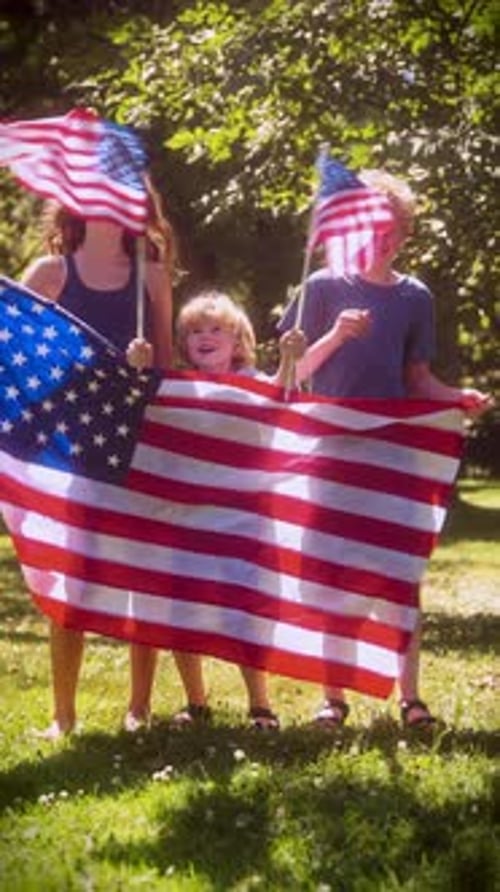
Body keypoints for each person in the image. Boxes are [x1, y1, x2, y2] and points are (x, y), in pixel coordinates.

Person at [278, 168, 492, 730]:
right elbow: (289, 377)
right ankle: (333, 697)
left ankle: (411, 698)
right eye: (373, 225)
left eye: (394, 227)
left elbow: (418, 377)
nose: (383, 236)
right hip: (328, 449)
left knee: (401, 572)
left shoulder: (414, 296)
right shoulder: (321, 287)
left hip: (392, 452)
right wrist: (334, 336)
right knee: (333, 573)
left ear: (406, 232)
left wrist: (457, 396)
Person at [21, 179, 177, 738]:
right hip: (71, 448)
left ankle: (139, 709)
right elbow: (16, 357)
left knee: (143, 575)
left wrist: (146, 362)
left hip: (140, 440)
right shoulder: (49, 274)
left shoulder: (152, 278)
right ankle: (63, 715)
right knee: (71, 577)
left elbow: (168, 367)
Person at [127, 290, 305, 729]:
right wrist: (140, 372)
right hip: (189, 515)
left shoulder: (254, 381)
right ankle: (196, 701)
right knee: (182, 604)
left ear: (238, 339)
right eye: (194, 331)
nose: (204, 337)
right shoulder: (179, 385)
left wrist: (289, 360)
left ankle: (260, 704)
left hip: (246, 518)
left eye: (216, 329)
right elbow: (148, 410)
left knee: (246, 606)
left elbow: (279, 401)